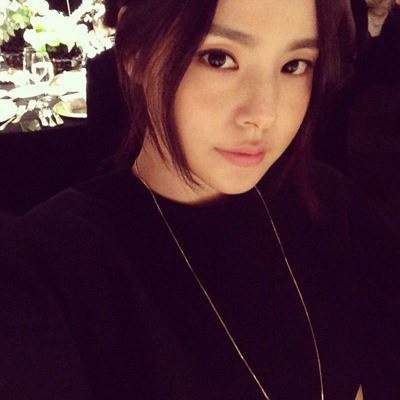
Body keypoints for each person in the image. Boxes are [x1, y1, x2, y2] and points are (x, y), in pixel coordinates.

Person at [0, 1, 399, 399]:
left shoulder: (331, 206)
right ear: (136, 50)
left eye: (294, 65)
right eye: (218, 58)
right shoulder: (44, 272)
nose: (263, 114)